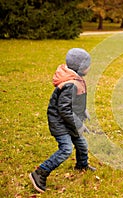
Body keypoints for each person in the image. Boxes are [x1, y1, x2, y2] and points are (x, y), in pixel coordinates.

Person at [29, 48, 96, 193]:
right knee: (66, 149)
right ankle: (40, 172)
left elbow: (76, 101)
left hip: (70, 121)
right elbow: (64, 110)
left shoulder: (76, 78)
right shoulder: (70, 84)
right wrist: (79, 125)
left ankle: (82, 165)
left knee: (81, 143)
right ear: (81, 67)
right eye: (88, 65)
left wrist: (84, 112)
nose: (89, 68)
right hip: (60, 123)